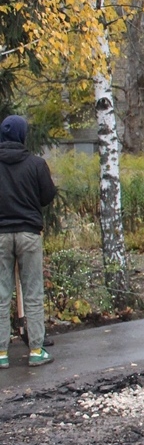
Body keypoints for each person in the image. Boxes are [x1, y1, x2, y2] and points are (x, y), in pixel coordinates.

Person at [0, 115, 57, 368]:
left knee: (1, 295)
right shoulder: (36, 164)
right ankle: (36, 349)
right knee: (32, 292)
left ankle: (1, 354)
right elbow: (47, 196)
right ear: (23, 135)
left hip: (0, 236)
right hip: (29, 234)